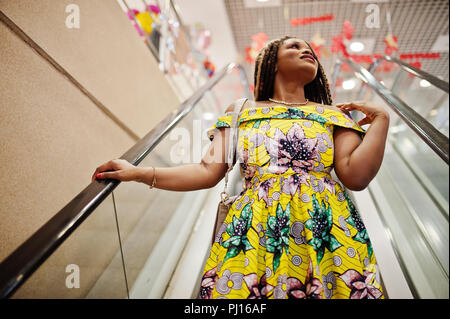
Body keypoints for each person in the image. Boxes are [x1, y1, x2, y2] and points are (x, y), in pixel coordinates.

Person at [92, 36, 390, 299]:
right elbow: (207, 171)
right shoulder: (241, 111)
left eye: (310, 48)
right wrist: (139, 173)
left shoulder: (333, 115)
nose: (307, 50)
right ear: (271, 62)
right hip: (253, 228)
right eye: (294, 46)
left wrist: (381, 121)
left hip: (326, 228)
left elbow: (356, 175)